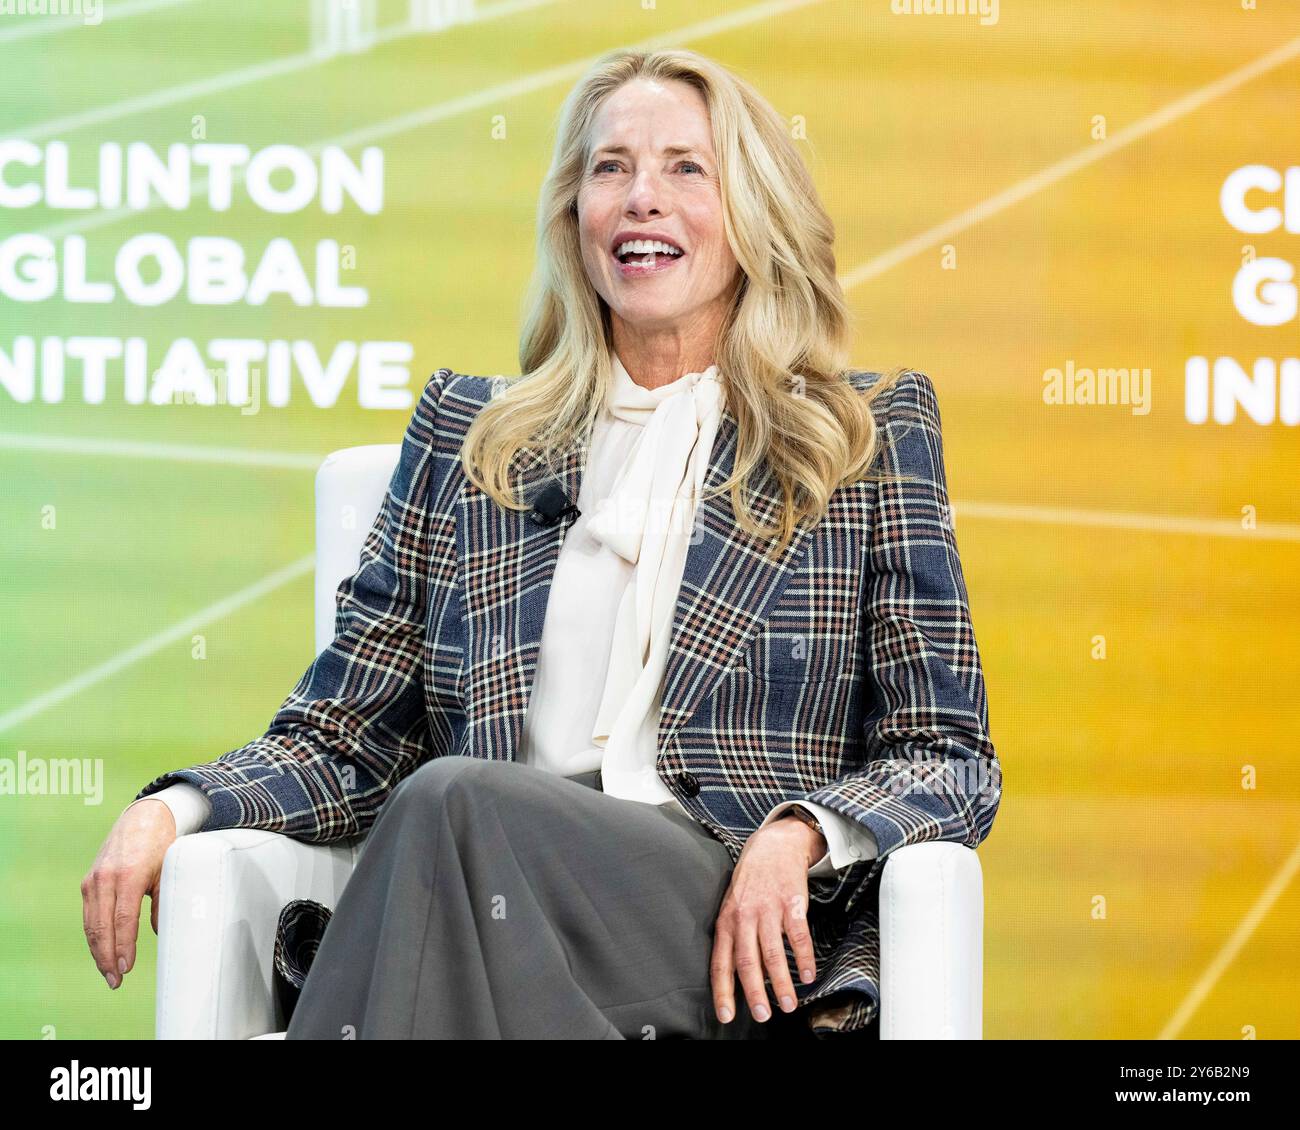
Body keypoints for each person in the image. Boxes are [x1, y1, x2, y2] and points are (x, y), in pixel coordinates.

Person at [82, 46, 1002, 1039]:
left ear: (754, 210)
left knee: (452, 802)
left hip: (712, 918)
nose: (641, 197)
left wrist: (799, 834)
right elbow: (345, 734)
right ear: (574, 213)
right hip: (487, 914)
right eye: (609, 168)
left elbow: (948, 754)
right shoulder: (473, 440)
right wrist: (175, 808)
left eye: (685, 168)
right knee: (455, 827)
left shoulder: (863, 436)